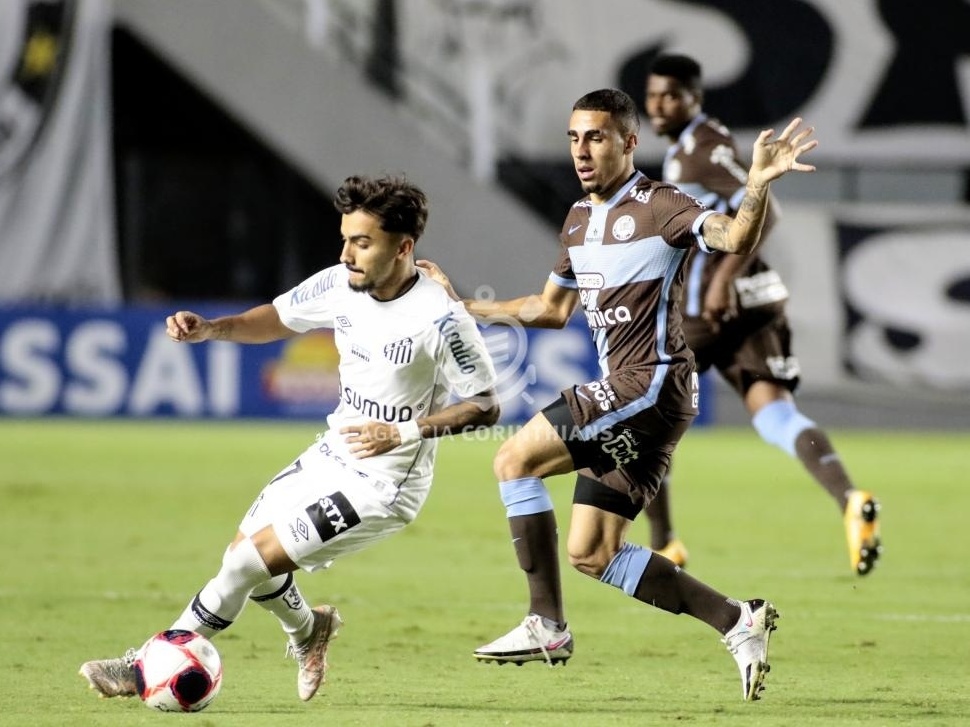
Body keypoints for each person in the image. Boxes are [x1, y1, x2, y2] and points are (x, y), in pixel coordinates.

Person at [418, 88, 817, 702]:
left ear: (629, 142)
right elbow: (549, 310)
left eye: (596, 137)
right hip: (645, 400)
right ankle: (738, 621)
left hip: (647, 384)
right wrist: (463, 306)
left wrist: (759, 183)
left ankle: (546, 624)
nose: (582, 150)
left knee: (512, 459)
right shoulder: (579, 219)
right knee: (591, 552)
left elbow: (734, 236)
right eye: (574, 137)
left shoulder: (662, 206)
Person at [79, 175, 500, 703]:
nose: (347, 253)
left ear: (404, 246)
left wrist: (405, 431)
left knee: (244, 565)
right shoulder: (338, 283)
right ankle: (309, 631)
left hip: (383, 486)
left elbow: (486, 405)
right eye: (345, 238)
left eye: (362, 243)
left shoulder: (441, 318)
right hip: (332, 452)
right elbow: (277, 318)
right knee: (243, 559)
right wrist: (213, 328)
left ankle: (140, 668)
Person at [641, 53, 882, 576]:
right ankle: (849, 499)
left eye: (672, 95)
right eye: (654, 95)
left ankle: (665, 545)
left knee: (648, 409)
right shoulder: (694, 147)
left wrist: (722, 280)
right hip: (756, 300)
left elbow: (764, 207)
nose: (660, 105)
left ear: (694, 98)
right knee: (774, 412)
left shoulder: (702, 150)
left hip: (715, 304)